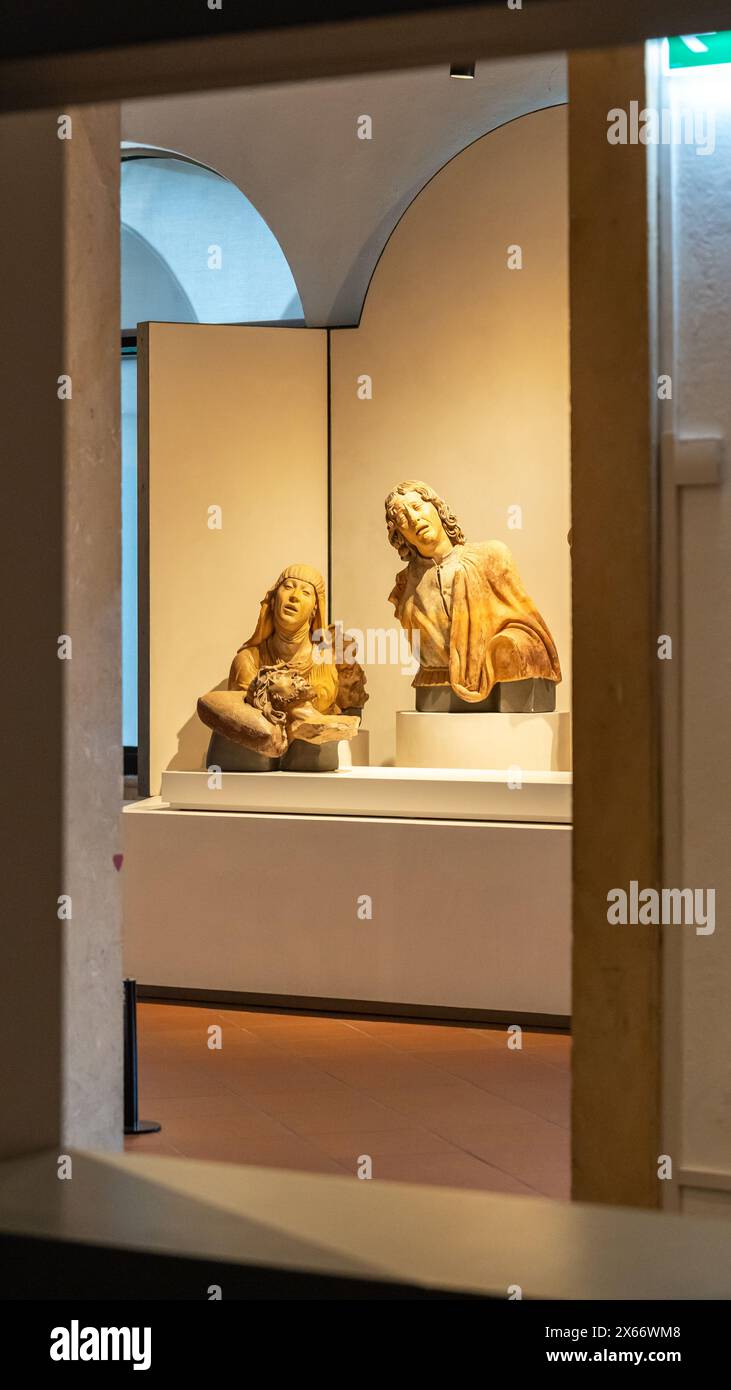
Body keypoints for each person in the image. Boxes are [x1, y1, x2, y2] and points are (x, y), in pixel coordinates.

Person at [385, 480, 561, 703]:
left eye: (418, 507)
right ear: (400, 535)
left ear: (438, 508)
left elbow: (529, 629)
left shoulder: (490, 556)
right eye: (402, 519)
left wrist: (505, 647)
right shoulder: (405, 586)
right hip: (433, 687)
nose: (413, 519)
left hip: (500, 685)